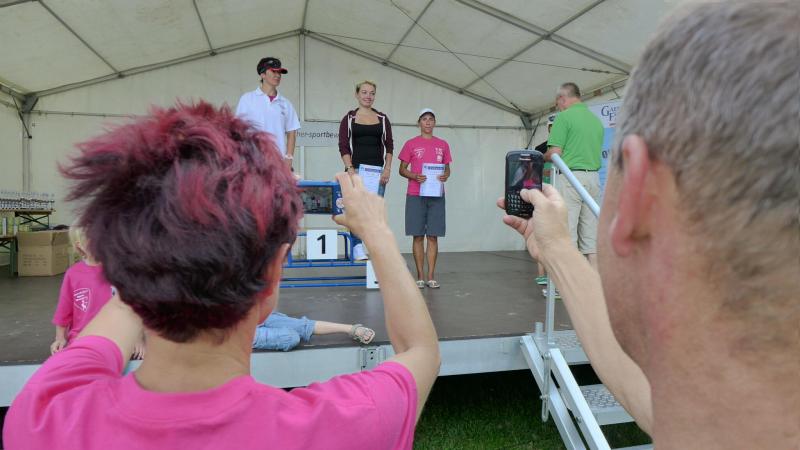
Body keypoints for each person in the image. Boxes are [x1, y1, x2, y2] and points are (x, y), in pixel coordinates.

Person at [3, 101, 440, 449]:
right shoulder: (342, 427)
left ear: (127, 270)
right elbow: (420, 350)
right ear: (274, 273)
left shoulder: (43, 417)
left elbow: (108, 328)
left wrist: (147, 247)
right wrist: (376, 233)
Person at [500, 2, 798, 448]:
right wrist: (557, 249)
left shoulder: (699, 417)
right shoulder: (710, 412)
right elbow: (656, 397)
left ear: (641, 198)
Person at [543, 82, 603, 269]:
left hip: (570, 179)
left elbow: (555, 153)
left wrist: (541, 157)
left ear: (562, 98)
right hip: (593, 179)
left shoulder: (563, 118)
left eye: (557, 102)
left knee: (567, 235)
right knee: (590, 239)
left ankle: (570, 282)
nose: (558, 106)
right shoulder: (595, 120)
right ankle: (594, 281)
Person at [338, 80, 394, 261]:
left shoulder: (383, 119)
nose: (368, 96)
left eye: (371, 93)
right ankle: (357, 247)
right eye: (364, 92)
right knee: (356, 211)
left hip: (377, 173)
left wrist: (387, 169)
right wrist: (350, 169)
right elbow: (343, 146)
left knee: (374, 212)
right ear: (357, 94)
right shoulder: (349, 118)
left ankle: (374, 247)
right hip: (355, 171)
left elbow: (389, 145)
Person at [398, 109, 452, 289]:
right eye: (424, 119)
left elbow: (447, 168)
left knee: (433, 236)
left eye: (431, 119)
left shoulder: (443, 144)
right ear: (419, 123)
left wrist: (445, 175)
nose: (428, 122)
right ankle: (420, 276)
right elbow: (402, 169)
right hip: (415, 194)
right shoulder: (411, 144)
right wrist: (414, 176)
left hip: (436, 194)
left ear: (434, 123)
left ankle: (431, 276)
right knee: (418, 235)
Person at [235, 57, 300, 167]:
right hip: (252, 162)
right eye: (273, 71)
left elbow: (292, 132)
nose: (278, 75)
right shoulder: (247, 99)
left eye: (279, 72)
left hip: (278, 163)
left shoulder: (286, 104)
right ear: (262, 74)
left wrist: (289, 158)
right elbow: (238, 130)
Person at [253, 312, 375, 351]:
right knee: (290, 337)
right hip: (243, 333)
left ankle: (350, 329)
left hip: (248, 315)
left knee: (300, 325)